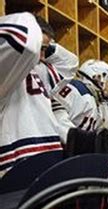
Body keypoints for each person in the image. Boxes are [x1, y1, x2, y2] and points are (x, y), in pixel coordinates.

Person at [0, 12, 63, 178]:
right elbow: (23, 41)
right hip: (20, 161)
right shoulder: (8, 71)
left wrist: (48, 44)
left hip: (46, 156)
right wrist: (30, 19)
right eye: (41, 48)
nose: (42, 56)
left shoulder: (36, 69)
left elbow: (71, 63)